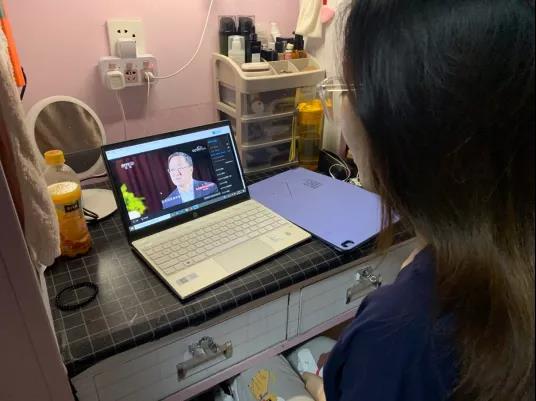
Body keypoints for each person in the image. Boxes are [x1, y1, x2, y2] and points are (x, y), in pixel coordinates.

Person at [305, 1, 535, 401]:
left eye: (348, 90)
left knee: (271, 369)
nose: (342, 112)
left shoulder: (395, 333)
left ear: (407, 128)